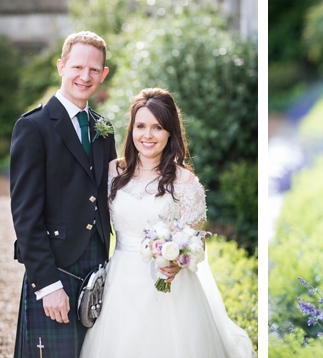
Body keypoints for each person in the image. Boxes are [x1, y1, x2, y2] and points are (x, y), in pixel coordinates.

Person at [79, 88, 255, 357]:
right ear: (132, 129)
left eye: (157, 127)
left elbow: (197, 243)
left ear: (170, 132)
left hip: (168, 285)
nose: (147, 135)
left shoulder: (185, 182)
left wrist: (176, 263)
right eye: (141, 126)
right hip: (121, 283)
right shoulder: (114, 172)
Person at [10, 31, 115, 357]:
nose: (85, 76)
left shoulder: (103, 129)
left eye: (94, 70)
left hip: (97, 269)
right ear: (61, 67)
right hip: (57, 271)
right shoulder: (34, 126)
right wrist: (48, 284)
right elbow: (25, 215)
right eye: (77, 67)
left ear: (104, 74)